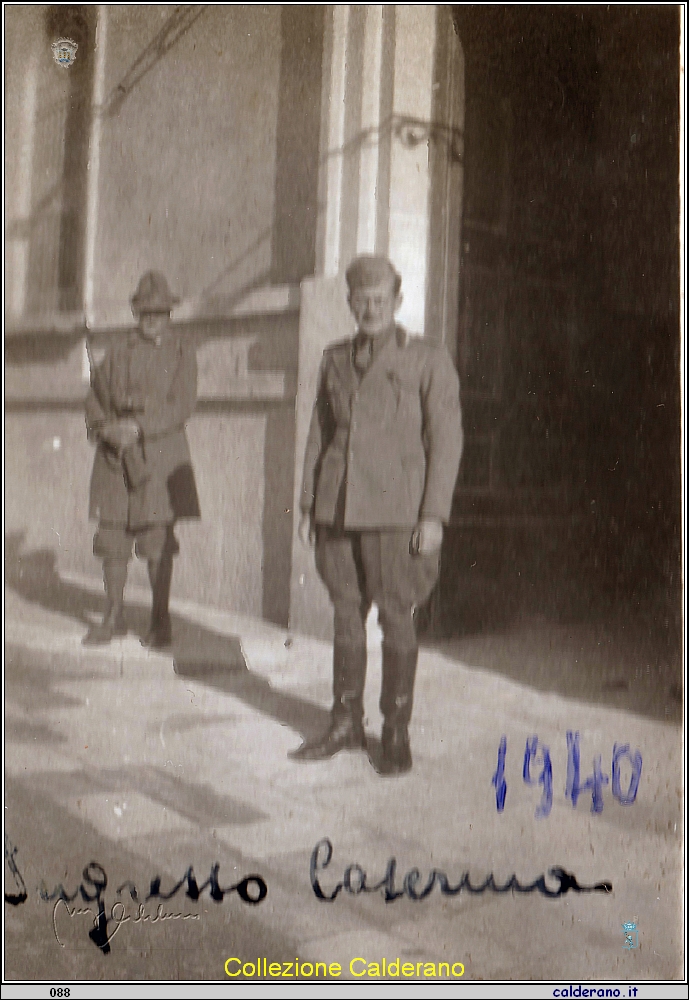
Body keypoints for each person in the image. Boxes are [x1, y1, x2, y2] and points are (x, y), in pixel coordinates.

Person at [295, 254, 463, 775]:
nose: (370, 308)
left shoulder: (427, 360)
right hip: (339, 508)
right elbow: (320, 432)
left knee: (396, 617)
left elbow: (447, 441)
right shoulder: (335, 358)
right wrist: (308, 503)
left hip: (396, 511)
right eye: (360, 299)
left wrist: (433, 515)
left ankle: (395, 730)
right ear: (349, 303)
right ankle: (345, 721)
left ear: (397, 302)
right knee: (346, 616)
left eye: (379, 299)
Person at [83, 270, 201, 648]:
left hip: (159, 457)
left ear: (170, 313)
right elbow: (94, 401)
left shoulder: (182, 352)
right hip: (116, 458)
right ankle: (113, 616)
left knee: (157, 539)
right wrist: (106, 429)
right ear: (136, 312)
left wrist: (138, 427)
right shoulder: (117, 352)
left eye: (161, 311)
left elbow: (182, 404)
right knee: (112, 536)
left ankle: (160, 620)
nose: (153, 318)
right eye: (146, 312)